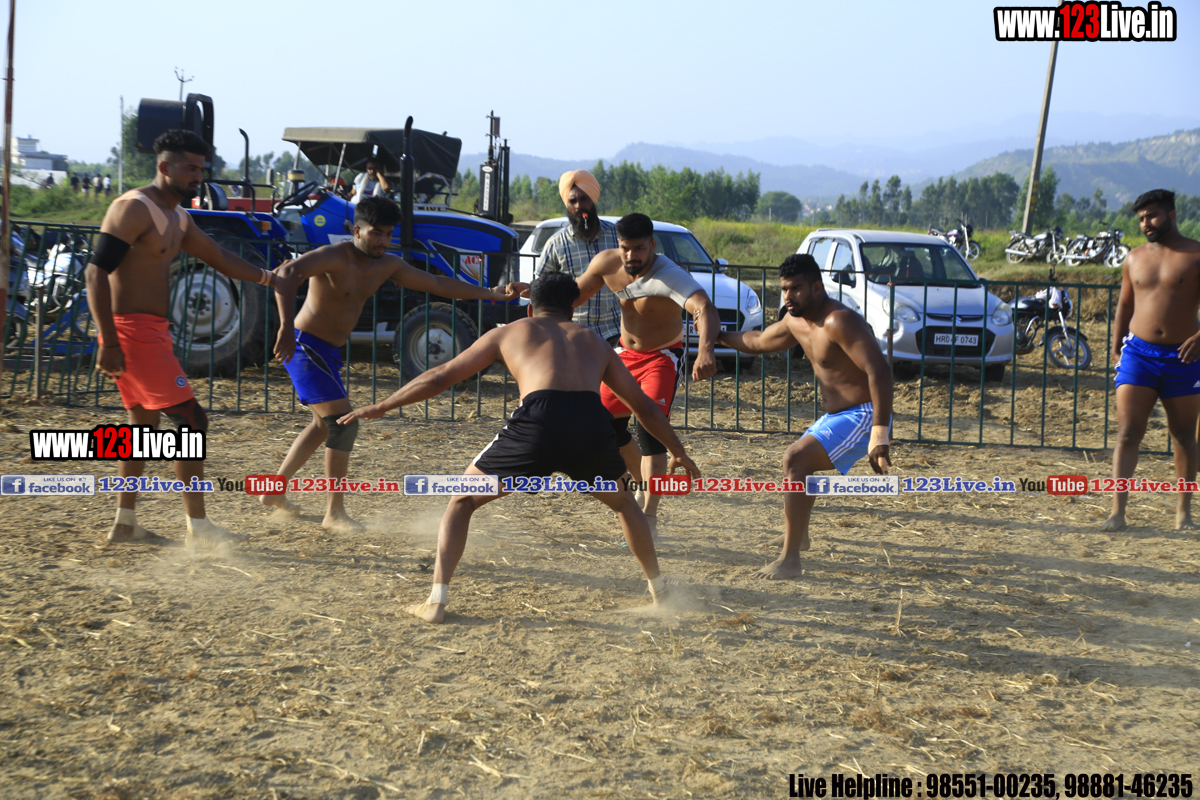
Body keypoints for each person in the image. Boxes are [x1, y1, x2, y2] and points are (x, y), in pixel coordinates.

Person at [338, 272, 701, 623]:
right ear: (571, 309)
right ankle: (659, 592)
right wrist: (678, 451)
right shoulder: (593, 340)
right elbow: (645, 408)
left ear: (531, 307)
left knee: (461, 501)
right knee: (626, 505)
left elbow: (440, 376)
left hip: (538, 422)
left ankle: (436, 601)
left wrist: (383, 405)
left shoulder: (510, 332)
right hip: (591, 424)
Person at [268, 195, 521, 532]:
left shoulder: (387, 264)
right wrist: (285, 328)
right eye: (376, 233)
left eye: (388, 234)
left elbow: (437, 283)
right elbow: (287, 272)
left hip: (327, 351)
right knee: (342, 424)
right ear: (356, 231)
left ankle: (274, 491)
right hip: (305, 346)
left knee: (323, 426)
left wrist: (491, 293)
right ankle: (334, 513)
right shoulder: (333, 256)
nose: (383, 241)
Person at [84, 129, 279, 550]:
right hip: (132, 333)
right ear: (164, 167)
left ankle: (125, 524)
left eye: (201, 169)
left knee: (143, 426)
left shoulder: (178, 217)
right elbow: (95, 272)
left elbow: (220, 257)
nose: (197, 176)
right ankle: (199, 529)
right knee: (192, 422)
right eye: (189, 168)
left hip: (151, 332)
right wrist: (109, 340)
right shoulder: (133, 208)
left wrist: (269, 277)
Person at [715, 254, 893, 579]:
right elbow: (758, 341)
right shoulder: (794, 320)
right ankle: (798, 536)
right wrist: (717, 335)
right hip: (839, 415)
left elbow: (879, 370)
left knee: (796, 459)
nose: (788, 296)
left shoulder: (839, 321)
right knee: (798, 466)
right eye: (784, 289)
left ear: (817, 287)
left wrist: (879, 432)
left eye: (796, 288)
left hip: (865, 414)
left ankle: (790, 560)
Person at [574, 213, 719, 530]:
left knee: (650, 427)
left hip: (662, 357)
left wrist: (706, 350)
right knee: (603, 426)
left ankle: (649, 516)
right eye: (625, 248)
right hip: (624, 354)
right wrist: (536, 292)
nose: (631, 256)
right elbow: (573, 295)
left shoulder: (669, 276)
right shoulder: (607, 263)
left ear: (652, 245)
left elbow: (704, 307)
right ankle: (640, 484)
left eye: (639, 248)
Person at [1105, 189, 1200, 532]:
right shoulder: (1133, 258)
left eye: (1152, 216)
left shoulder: (1196, 254)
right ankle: (1117, 513)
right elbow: (1125, 305)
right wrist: (1116, 346)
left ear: (1171, 215)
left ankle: (1184, 513)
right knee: (1128, 433)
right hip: (1138, 355)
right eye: (1141, 218)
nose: (1146, 223)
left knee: (1184, 435)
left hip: (1184, 358)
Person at [536, 169, 622, 343]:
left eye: (584, 199)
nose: (578, 206)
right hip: (571, 333)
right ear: (567, 204)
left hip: (614, 331)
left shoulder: (617, 236)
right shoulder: (556, 243)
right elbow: (542, 290)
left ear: (593, 199)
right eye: (572, 201)